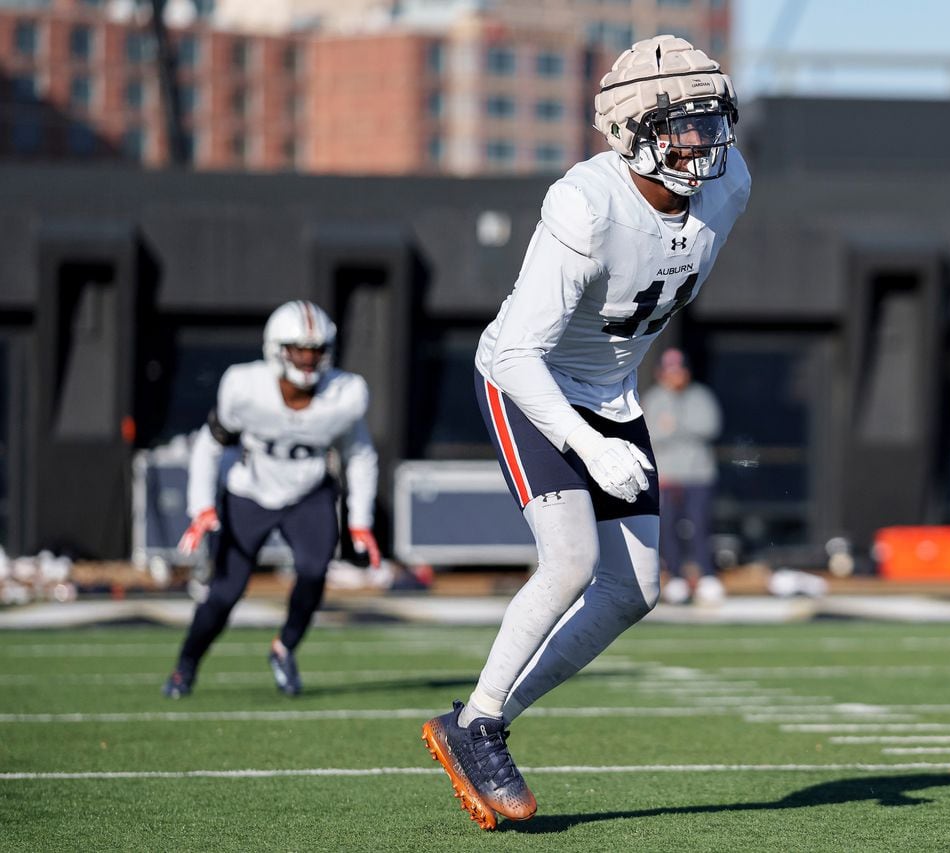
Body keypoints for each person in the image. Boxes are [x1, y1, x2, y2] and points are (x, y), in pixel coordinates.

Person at [419, 34, 751, 830]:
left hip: (612, 389)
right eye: (684, 127)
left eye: (711, 124)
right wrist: (589, 443)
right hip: (526, 380)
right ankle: (480, 720)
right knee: (570, 560)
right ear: (632, 132)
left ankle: (481, 720)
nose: (704, 144)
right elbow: (521, 353)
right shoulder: (585, 202)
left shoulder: (731, 183)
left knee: (636, 590)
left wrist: (611, 422)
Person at [162, 300, 380, 699]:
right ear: (277, 349)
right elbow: (209, 445)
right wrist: (201, 507)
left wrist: (360, 520)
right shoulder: (245, 389)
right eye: (300, 349)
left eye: (316, 350)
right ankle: (185, 665)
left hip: (310, 492)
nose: (309, 359)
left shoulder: (345, 394)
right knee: (225, 592)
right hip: (250, 492)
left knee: (315, 572)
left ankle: (284, 648)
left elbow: (360, 455)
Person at [642, 347, 724, 605]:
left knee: (700, 525)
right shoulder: (654, 398)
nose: (675, 376)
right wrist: (674, 431)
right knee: (667, 527)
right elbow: (650, 432)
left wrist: (674, 426)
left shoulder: (700, 396)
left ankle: (706, 575)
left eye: (679, 370)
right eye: (670, 371)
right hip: (667, 475)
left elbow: (709, 426)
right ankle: (676, 575)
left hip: (698, 474)